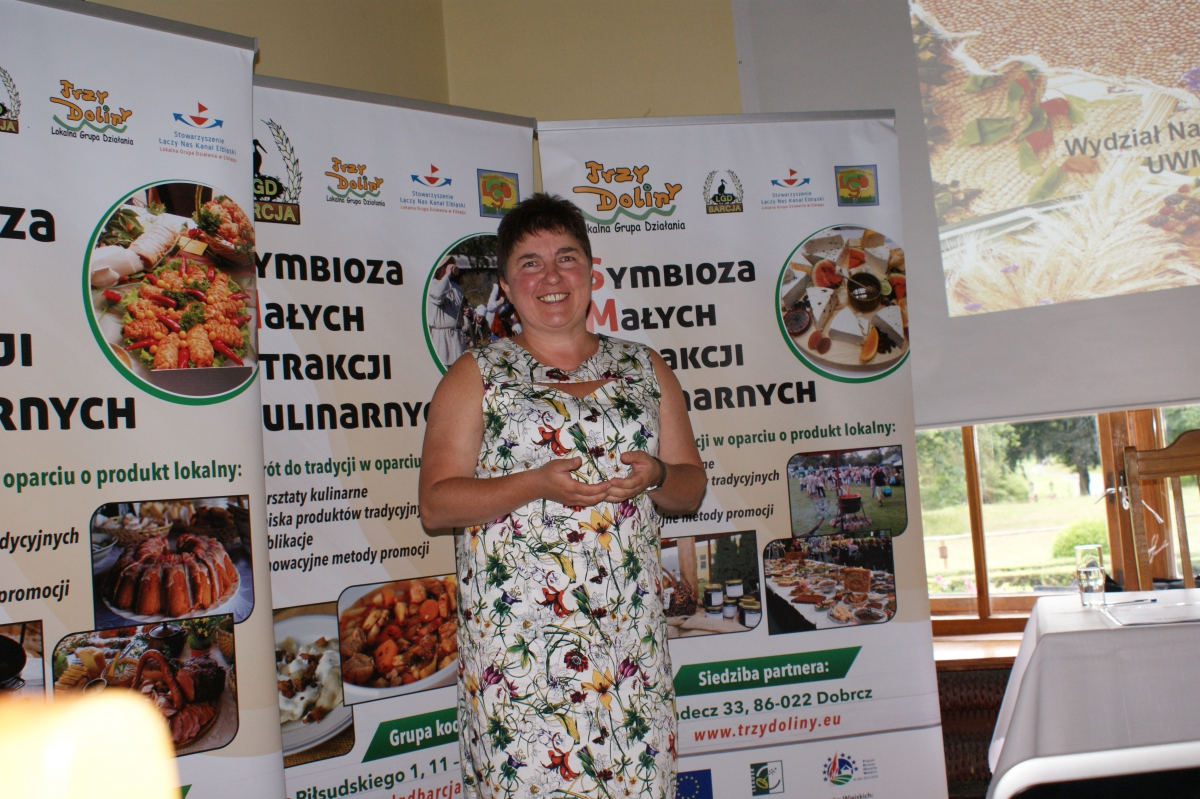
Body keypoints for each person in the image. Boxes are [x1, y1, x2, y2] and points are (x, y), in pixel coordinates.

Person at [419, 194, 707, 799]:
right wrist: (535, 483)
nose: (551, 277)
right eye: (530, 263)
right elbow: (436, 504)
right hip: (518, 655)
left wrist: (657, 473)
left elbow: (690, 487)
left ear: (591, 271)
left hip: (628, 649)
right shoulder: (475, 374)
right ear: (505, 285)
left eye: (566, 258)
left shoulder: (645, 367)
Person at [428, 256, 470, 365]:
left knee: (459, 367)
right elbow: (438, 296)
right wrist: (447, 275)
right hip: (441, 337)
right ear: (439, 269)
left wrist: (467, 312)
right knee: (443, 368)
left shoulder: (456, 287)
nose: (449, 267)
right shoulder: (432, 285)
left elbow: (462, 305)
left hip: (457, 336)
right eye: (446, 265)